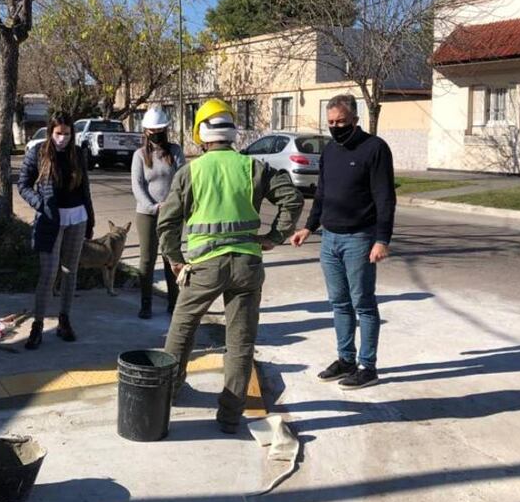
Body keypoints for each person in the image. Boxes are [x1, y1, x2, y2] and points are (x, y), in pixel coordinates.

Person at [158, 98, 304, 433]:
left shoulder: (190, 171)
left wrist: (176, 260)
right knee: (240, 342)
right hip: (247, 266)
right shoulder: (253, 167)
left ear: (201, 134)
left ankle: (166, 394)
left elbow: (167, 224)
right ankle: (229, 416)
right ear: (233, 132)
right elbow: (292, 199)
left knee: (181, 330)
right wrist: (274, 236)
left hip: (205, 266)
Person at [291, 94, 396, 389]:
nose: (336, 128)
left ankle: (367, 365)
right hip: (330, 239)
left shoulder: (374, 148)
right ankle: (346, 359)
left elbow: (385, 198)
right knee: (339, 303)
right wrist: (309, 228)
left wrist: (382, 239)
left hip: (360, 238)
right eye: (331, 123)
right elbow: (322, 194)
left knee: (362, 303)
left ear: (355, 120)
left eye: (341, 122)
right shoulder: (330, 152)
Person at [17, 114, 95, 350]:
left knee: (70, 272)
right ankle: (38, 325)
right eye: (58, 133)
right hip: (50, 221)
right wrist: (39, 203)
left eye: (67, 133)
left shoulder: (78, 154)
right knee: (49, 274)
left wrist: (90, 220)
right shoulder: (38, 152)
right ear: (51, 131)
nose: (62, 138)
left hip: (77, 217)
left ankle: (64, 320)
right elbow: (23, 184)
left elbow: (85, 188)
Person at [131, 106, 185, 320]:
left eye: (160, 129)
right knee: (147, 259)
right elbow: (137, 186)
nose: (156, 134)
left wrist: (171, 206)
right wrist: (154, 207)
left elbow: (182, 180)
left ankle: (174, 303)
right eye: (152, 130)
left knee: (170, 257)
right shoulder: (140, 155)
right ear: (145, 131)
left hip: (171, 214)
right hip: (147, 214)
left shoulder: (175, 151)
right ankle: (146, 304)